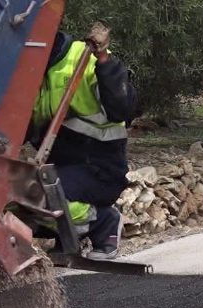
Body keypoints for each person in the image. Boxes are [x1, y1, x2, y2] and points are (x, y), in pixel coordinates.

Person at [29, 23, 138, 260]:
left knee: (36, 193)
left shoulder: (83, 58)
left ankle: (103, 222)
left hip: (100, 170)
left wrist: (103, 60)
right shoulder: (28, 74)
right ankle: (67, 234)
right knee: (9, 195)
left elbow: (123, 108)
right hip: (59, 170)